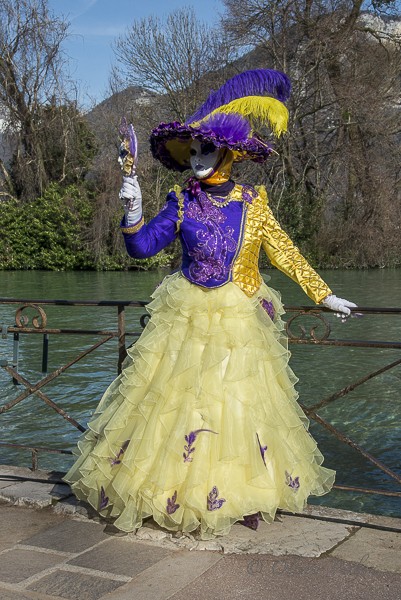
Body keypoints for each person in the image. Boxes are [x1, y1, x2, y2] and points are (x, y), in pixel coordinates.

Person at [64, 69, 356, 539]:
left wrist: (324, 294)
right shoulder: (181, 202)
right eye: (193, 151)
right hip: (186, 320)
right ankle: (174, 494)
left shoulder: (252, 203)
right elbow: (142, 249)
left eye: (207, 150)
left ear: (229, 152)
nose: (198, 159)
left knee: (238, 407)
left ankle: (243, 495)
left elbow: (283, 252)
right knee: (184, 409)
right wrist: (133, 210)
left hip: (240, 319)